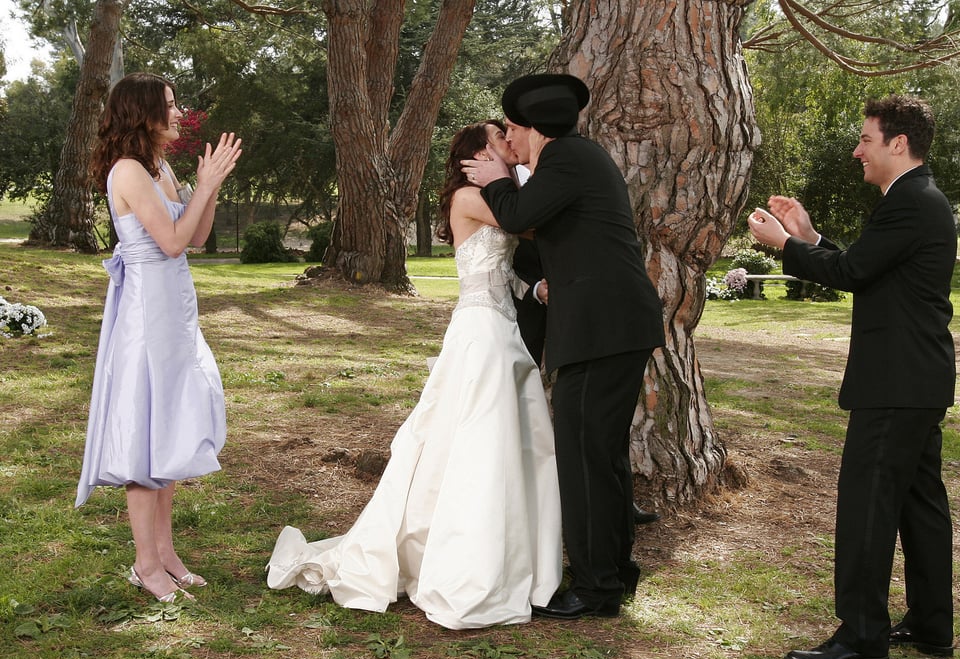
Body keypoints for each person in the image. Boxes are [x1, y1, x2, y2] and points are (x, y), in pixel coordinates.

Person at [266, 121, 563, 630]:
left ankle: (513, 553)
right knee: (479, 437)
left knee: (502, 436)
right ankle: (467, 561)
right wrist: (520, 172)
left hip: (500, 324)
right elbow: (528, 225)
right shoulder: (472, 196)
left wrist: (534, 290)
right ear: (477, 153)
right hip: (480, 330)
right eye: (499, 137)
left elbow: (499, 266)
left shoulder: (488, 196)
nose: (508, 143)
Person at [747, 94, 956, 659]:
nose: (857, 150)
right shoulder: (916, 199)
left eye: (866, 139)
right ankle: (933, 624)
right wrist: (808, 235)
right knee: (920, 504)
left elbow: (852, 272)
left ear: (897, 143)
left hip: (894, 383)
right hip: (918, 378)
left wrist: (784, 246)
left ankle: (864, 637)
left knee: (868, 505)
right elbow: (866, 268)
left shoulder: (909, 202)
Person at [462, 74, 666, 620]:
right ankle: (616, 573)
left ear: (534, 130)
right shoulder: (577, 159)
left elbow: (518, 216)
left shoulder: (568, 160)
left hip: (603, 331)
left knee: (582, 459)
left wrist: (498, 178)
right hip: (612, 327)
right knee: (601, 456)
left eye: (512, 129)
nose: (509, 139)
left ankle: (598, 588)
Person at [77, 72, 242, 603]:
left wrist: (208, 187)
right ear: (143, 112)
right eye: (170, 105)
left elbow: (195, 236)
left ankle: (167, 555)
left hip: (176, 314)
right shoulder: (127, 171)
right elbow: (170, 242)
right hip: (146, 320)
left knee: (168, 434)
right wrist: (207, 186)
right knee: (145, 437)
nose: (179, 113)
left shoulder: (162, 168)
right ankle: (145, 564)